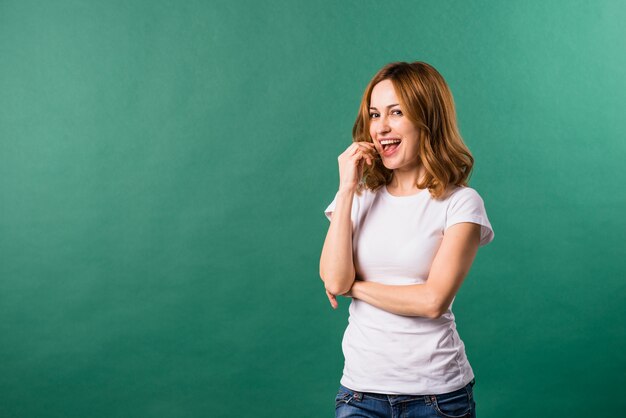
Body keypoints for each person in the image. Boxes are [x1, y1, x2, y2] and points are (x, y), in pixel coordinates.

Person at [319, 61, 495, 418]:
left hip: (438, 399)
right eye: (374, 114)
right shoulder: (357, 197)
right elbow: (334, 279)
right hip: (359, 394)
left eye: (396, 112)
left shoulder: (461, 203)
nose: (381, 127)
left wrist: (358, 287)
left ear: (427, 118)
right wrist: (348, 187)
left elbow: (432, 300)